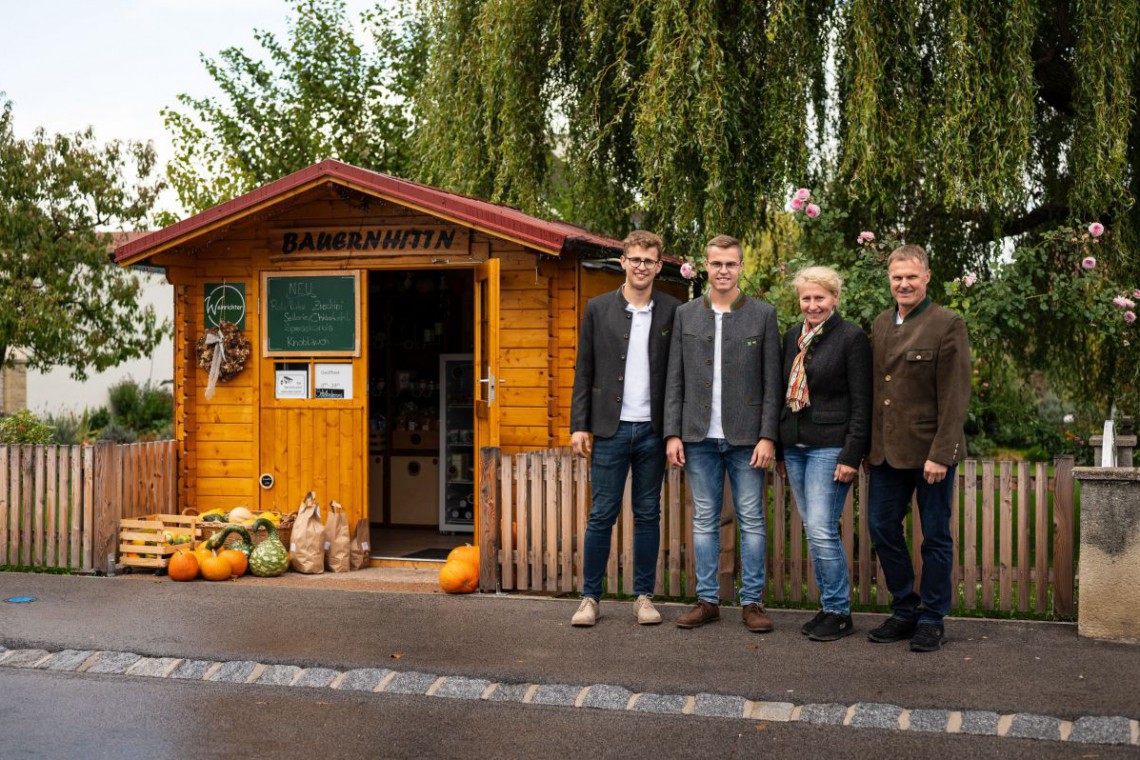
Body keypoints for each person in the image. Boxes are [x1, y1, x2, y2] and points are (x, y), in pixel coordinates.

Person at [664, 234, 781, 631]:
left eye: (731, 264)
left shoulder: (763, 315)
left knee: (751, 519)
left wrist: (768, 435)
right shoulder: (686, 315)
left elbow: (772, 382)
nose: (723, 271)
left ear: (741, 267)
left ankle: (752, 603)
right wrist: (672, 433)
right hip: (697, 436)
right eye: (716, 264)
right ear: (705, 267)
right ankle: (707, 600)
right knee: (704, 520)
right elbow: (674, 379)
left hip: (747, 438)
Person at [569, 230, 680, 626]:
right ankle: (589, 599)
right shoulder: (598, 308)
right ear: (623, 262)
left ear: (658, 265)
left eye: (648, 261)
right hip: (609, 429)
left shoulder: (672, 310)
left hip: (653, 429)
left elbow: (678, 374)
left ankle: (643, 597)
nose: (641, 266)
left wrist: (674, 431)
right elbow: (584, 368)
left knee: (648, 513)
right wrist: (579, 424)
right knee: (602, 514)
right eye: (635, 259)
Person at [866, 244, 970, 652]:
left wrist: (941, 454)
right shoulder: (879, 323)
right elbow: (878, 391)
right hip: (886, 453)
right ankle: (905, 608)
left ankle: (931, 617)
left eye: (912, 276)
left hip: (930, 455)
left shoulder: (947, 323)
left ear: (927, 276)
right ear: (889, 280)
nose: (904, 284)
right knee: (880, 528)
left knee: (935, 538)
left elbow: (956, 395)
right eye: (897, 278)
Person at [775, 266, 872, 642]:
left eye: (820, 298)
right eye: (806, 298)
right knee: (815, 530)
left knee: (820, 528)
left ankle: (838, 611)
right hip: (795, 447)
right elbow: (783, 393)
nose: (812, 305)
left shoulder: (851, 337)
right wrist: (782, 448)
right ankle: (830, 606)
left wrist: (851, 454)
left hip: (830, 448)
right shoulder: (792, 337)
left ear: (834, 299)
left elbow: (861, 402)